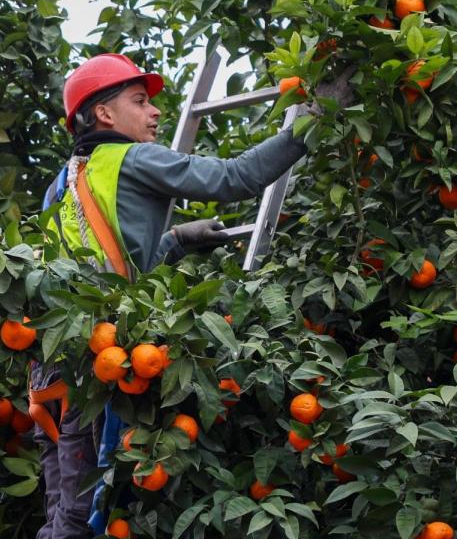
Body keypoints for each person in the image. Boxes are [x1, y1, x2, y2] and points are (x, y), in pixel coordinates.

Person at [31, 53, 352, 538]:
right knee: (83, 518)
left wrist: (176, 242)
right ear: (104, 114)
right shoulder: (135, 157)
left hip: (47, 367)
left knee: (59, 511)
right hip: (92, 368)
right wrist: (309, 125)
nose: (156, 112)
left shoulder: (60, 185)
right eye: (140, 101)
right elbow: (234, 178)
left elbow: (108, 271)